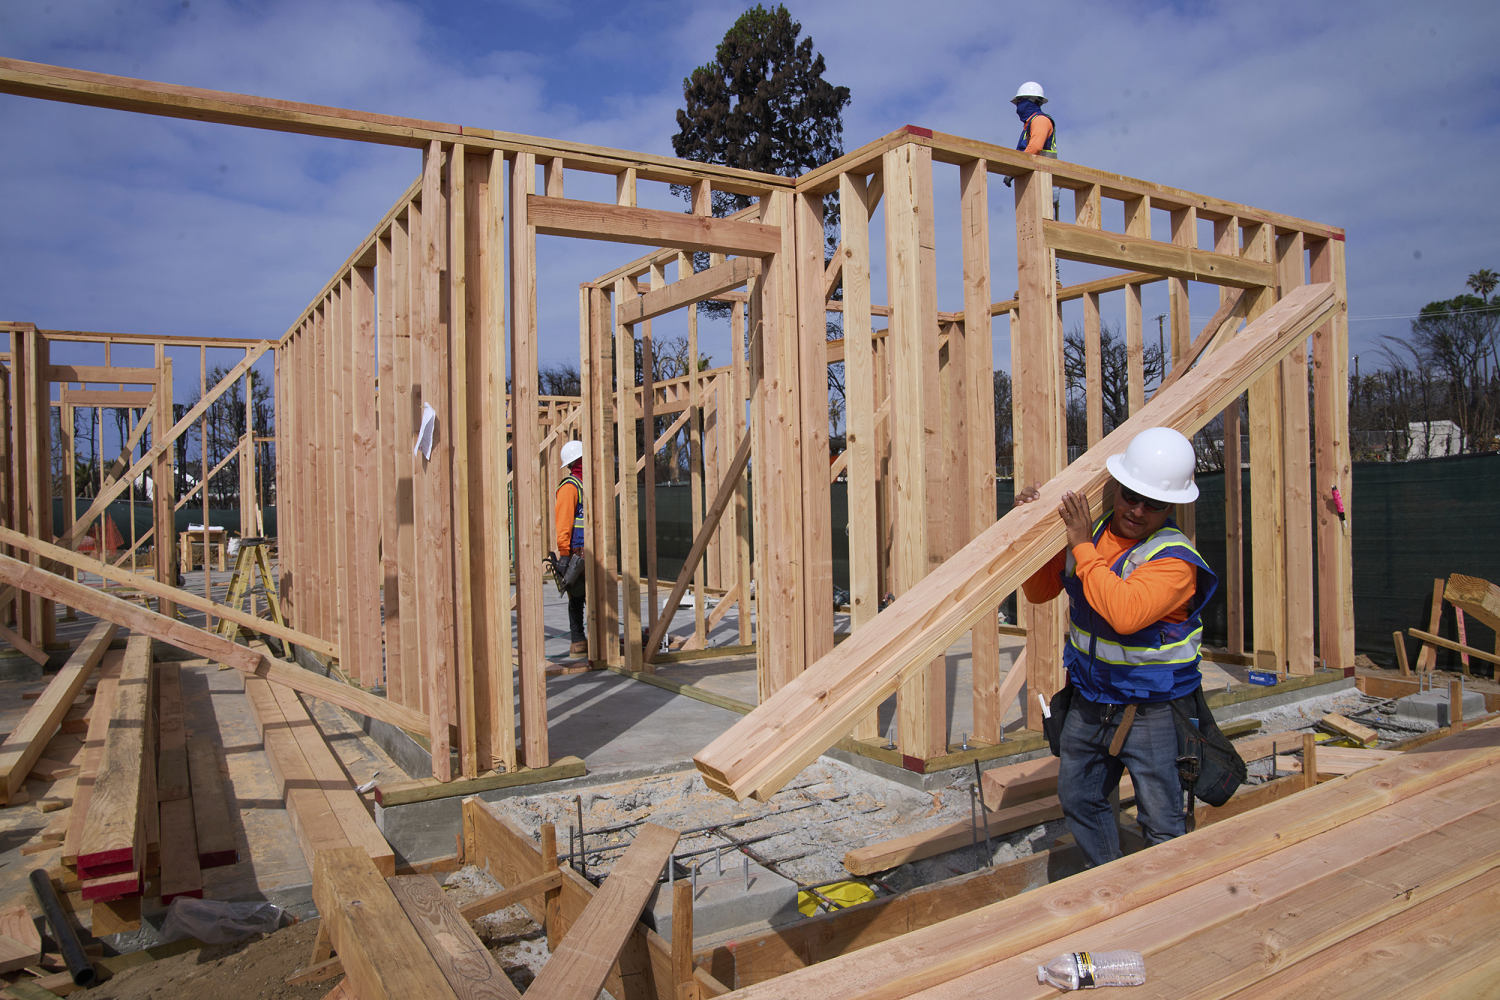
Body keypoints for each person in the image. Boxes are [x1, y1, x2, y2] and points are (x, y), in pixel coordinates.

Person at [1016, 427, 1217, 868]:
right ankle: (1108, 880)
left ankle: (1163, 905)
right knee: (1079, 798)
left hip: (1152, 711)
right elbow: (1038, 592)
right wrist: (1033, 534)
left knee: (1162, 821)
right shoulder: (1094, 534)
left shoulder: (1173, 559)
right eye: (1130, 496)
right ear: (1117, 489)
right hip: (1091, 699)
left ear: (1173, 506)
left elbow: (1125, 614)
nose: (1138, 510)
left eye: (1154, 503)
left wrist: (1082, 545)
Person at [554, 439, 587, 657]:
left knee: (597, 597)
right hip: (577, 553)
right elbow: (564, 522)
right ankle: (578, 641)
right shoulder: (570, 488)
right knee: (577, 597)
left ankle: (599, 641)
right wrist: (564, 554)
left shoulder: (589, 485)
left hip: (595, 552)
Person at [1012, 81, 1057, 158]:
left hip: (1043, 168)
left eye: (1019, 101)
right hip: (1033, 168)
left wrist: (1017, 163)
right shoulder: (1029, 124)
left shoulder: (1040, 120)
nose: (1018, 106)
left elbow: (1035, 148)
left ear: (1030, 100)